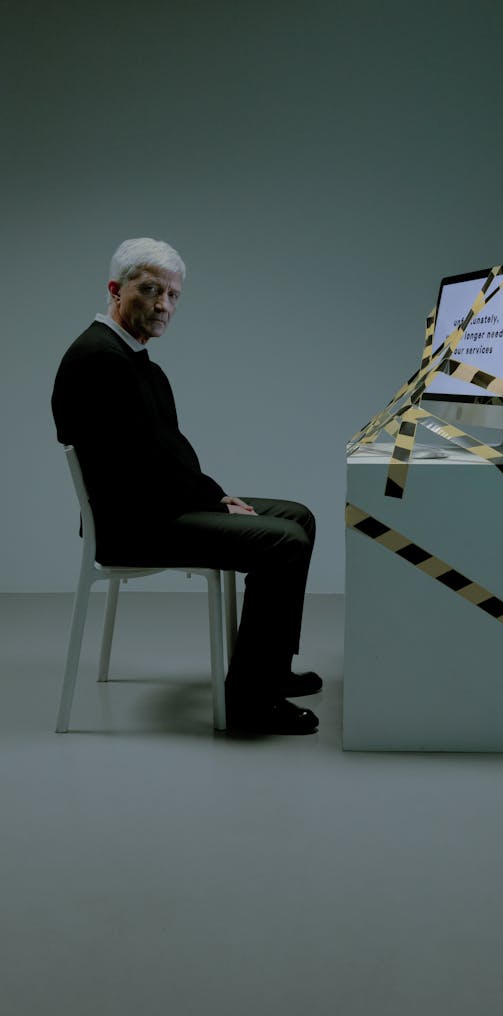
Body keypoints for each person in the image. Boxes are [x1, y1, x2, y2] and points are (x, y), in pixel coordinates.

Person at [51, 237, 320, 736]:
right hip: (134, 524)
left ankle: (270, 669)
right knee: (284, 541)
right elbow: (137, 470)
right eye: (150, 290)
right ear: (115, 289)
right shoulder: (100, 359)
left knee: (297, 515)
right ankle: (251, 703)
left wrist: (216, 498)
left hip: (157, 505)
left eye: (173, 295)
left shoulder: (129, 355)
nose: (163, 305)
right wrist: (210, 501)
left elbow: (164, 450)